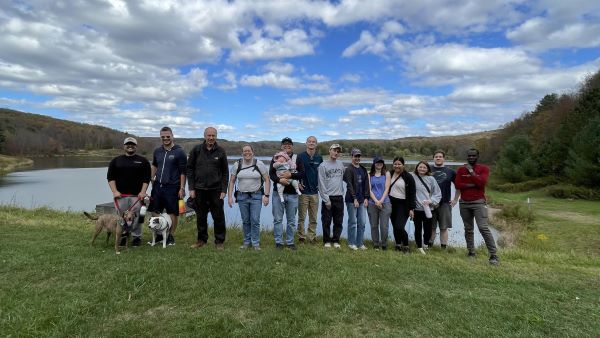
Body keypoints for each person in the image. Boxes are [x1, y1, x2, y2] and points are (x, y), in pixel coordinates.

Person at [455, 148, 500, 265]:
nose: (471, 158)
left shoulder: (484, 168)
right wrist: (472, 184)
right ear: (467, 156)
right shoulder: (460, 169)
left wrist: (471, 171)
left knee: (483, 228)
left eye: (473, 156)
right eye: (469, 156)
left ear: (477, 156)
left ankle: (493, 255)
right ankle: (471, 252)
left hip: (478, 202)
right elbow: (457, 184)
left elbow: (481, 183)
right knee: (468, 229)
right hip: (464, 203)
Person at [187, 127, 229, 250]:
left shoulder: (221, 151)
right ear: (204, 136)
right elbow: (189, 169)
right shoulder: (196, 150)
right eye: (209, 135)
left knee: (218, 217)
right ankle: (201, 240)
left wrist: (223, 190)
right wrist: (191, 188)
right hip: (199, 189)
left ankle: (219, 241)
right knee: (201, 216)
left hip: (216, 190)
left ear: (216, 136)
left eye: (213, 135)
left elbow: (225, 172)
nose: (211, 138)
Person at [106, 136, 151, 247]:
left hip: (137, 196)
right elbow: (110, 178)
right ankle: (122, 236)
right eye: (128, 144)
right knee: (121, 218)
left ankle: (136, 237)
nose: (130, 146)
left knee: (137, 218)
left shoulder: (143, 161)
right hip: (120, 196)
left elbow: (146, 178)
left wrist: (143, 192)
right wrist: (114, 191)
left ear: (136, 146)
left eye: (132, 144)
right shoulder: (115, 161)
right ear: (124, 146)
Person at [148, 126, 187, 246]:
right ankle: (160, 234)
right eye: (163, 137)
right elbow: (154, 165)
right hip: (158, 186)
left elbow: (183, 172)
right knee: (154, 210)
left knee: (173, 212)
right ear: (160, 137)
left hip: (173, 187)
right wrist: (151, 178)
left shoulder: (179, 152)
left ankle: (170, 235)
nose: (165, 138)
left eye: (167, 136)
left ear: (172, 136)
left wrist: (182, 188)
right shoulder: (157, 151)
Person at [227, 144, 271, 250]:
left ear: (253, 152)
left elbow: (267, 179)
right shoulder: (237, 164)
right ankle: (246, 242)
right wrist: (229, 197)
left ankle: (255, 243)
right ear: (242, 153)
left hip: (256, 196)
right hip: (242, 196)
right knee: (246, 220)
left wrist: (266, 195)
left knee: (255, 220)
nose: (247, 153)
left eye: (249, 151)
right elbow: (232, 181)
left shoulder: (259, 164)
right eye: (245, 151)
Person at [269, 137, 304, 250]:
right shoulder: (276, 158)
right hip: (277, 194)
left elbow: (302, 174)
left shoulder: (297, 158)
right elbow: (271, 174)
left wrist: (291, 175)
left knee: (291, 220)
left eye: (289, 144)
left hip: (293, 194)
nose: (287, 145)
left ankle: (290, 242)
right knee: (278, 220)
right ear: (281, 146)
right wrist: (279, 180)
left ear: (292, 146)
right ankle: (279, 242)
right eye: (284, 144)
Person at [429, 150, 460, 250]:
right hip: (430, 204)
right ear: (433, 158)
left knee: (444, 227)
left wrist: (455, 200)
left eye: (440, 156)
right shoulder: (428, 170)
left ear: (444, 158)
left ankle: (443, 248)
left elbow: (458, 186)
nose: (438, 158)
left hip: (445, 203)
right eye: (436, 156)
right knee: (431, 227)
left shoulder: (450, 172)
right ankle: (429, 246)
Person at [410, 161, 441, 255]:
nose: (422, 169)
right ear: (417, 167)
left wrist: (431, 201)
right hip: (416, 209)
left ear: (427, 169)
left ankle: (426, 244)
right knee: (418, 228)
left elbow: (437, 193)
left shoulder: (431, 179)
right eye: (420, 167)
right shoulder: (412, 176)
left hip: (428, 209)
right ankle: (419, 246)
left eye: (424, 167)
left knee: (428, 229)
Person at [318, 144, 345, 248]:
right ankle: (326, 241)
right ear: (330, 151)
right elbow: (321, 184)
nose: (336, 153)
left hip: (339, 197)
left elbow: (345, 177)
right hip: (328, 197)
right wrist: (326, 199)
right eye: (334, 150)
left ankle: (336, 240)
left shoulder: (341, 164)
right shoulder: (323, 166)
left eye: (338, 151)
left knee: (338, 221)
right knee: (326, 221)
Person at [297, 136, 323, 244]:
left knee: (313, 218)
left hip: (314, 193)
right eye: (310, 141)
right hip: (303, 192)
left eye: (314, 142)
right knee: (302, 217)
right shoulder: (300, 156)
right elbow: (295, 171)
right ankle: (301, 237)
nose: (311, 143)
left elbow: (321, 174)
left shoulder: (319, 158)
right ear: (306, 143)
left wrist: (320, 185)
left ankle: (311, 237)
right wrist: (297, 182)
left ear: (316, 144)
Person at [388, 157, 416, 253]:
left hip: (403, 204)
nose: (397, 166)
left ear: (403, 165)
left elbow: (412, 193)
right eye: (395, 164)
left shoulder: (408, 177)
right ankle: (398, 245)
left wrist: (411, 208)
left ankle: (406, 245)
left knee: (399, 226)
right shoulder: (389, 174)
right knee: (395, 226)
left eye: (399, 164)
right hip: (391, 202)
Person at [343, 148, 369, 250]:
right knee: (353, 222)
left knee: (362, 222)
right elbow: (349, 185)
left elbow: (366, 185)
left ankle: (360, 243)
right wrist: (354, 198)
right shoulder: (349, 169)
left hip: (362, 200)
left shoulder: (363, 169)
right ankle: (351, 243)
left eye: (358, 156)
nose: (357, 158)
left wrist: (366, 198)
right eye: (355, 156)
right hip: (351, 199)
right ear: (352, 157)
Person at [367, 156, 391, 250]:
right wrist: (376, 201)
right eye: (377, 162)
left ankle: (384, 244)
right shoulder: (369, 175)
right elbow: (369, 190)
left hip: (385, 202)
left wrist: (381, 200)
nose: (379, 164)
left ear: (383, 164)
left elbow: (387, 188)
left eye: (381, 162)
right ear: (374, 163)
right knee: (373, 225)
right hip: (372, 203)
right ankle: (376, 244)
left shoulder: (386, 174)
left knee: (384, 226)